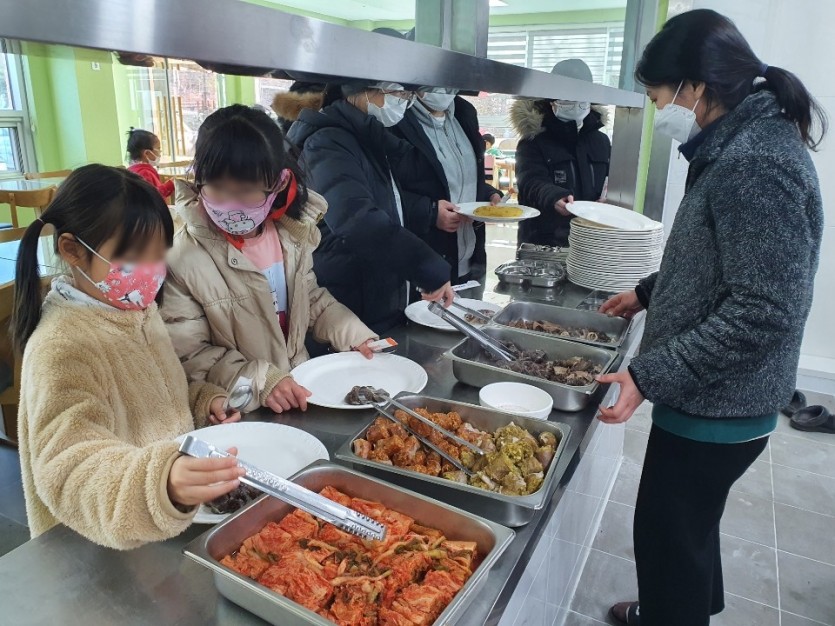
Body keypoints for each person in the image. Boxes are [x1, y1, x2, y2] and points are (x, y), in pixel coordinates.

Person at [596, 9, 826, 626]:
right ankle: (684, 604)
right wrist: (648, 292)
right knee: (689, 523)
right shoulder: (738, 142)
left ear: (695, 86)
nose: (658, 112)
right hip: (715, 392)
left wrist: (649, 374)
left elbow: (765, 310)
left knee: (667, 531)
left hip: (721, 401)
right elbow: (716, 258)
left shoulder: (755, 161)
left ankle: (673, 613)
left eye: (657, 98)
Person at [12, 164, 244, 550]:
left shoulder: (135, 311)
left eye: (158, 254)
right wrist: (160, 483)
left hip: (165, 528)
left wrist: (203, 403)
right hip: (101, 549)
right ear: (72, 250)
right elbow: (70, 466)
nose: (152, 270)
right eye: (136, 254)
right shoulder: (62, 346)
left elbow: (156, 392)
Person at [162, 105, 378, 415]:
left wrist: (355, 336)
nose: (231, 205)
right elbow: (190, 355)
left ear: (278, 183)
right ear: (198, 179)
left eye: (247, 191)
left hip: (299, 392)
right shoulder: (182, 258)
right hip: (240, 409)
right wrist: (263, 381)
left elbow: (310, 300)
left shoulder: (290, 236)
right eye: (218, 188)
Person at [287, 81, 454, 333]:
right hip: (347, 294)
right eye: (398, 93)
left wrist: (427, 210)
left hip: (373, 288)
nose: (404, 102)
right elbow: (357, 221)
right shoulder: (328, 142)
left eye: (409, 95)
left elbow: (381, 198)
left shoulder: (367, 135)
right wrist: (428, 269)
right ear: (362, 90)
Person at [392, 87, 501, 290]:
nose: (443, 89)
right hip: (424, 260)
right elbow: (381, 190)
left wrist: (487, 193)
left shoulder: (464, 112)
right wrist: (430, 212)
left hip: (470, 257)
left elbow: (464, 174)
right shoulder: (392, 116)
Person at [511, 59, 611, 247]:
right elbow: (530, 182)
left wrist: (609, 199)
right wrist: (553, 196)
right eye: (567, 97)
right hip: (544, 243)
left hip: (592, 242)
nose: (575, 103)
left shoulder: (602, 142)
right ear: (551, 99)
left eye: (581, 96)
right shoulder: (533, 140)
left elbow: (609, 180)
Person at [126, 128, 174, 199]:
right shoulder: (144, 173)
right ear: (147, 153)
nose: (160, 153)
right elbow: (152, 197)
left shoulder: (131, 170)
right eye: (158, 149)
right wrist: (170, 185)